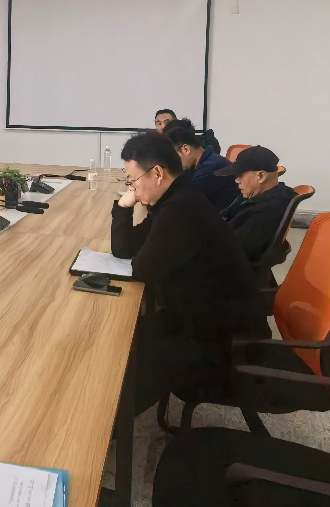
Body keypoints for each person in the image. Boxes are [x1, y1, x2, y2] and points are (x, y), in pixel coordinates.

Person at [111, 132, 266, 414]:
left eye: (132, 180)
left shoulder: (180, 209)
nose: (132, 188)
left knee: (127, 363)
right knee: (120, 340)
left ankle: (106, 428)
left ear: (157, 173)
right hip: (199, 316)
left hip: (218, 339)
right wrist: (124, 206)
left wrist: (133, 211)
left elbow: (143, 268)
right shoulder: (175, 197)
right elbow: (124, 249)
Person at [217, 145, 295, 263]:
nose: (236, 180)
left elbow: (231, 250)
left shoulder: (267, 211)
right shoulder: (259, 197)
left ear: (261, 176)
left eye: (240, 175)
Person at [163, 119, 238, 211]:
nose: (172, 163)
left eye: (172, 157)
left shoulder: (210, 168)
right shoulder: (202, 163)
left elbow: (184, 203)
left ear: (185, 149)